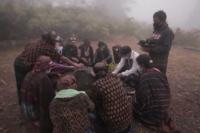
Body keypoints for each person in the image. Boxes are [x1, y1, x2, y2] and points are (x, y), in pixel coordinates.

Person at [14, 31, 82, 104]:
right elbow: (62, 59)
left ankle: (23, 101)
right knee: (28, 83)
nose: (55, 42)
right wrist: (75, 65)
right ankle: (29, 102)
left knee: (23, 83)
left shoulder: (37, 42)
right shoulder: (48, 48)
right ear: (51, 40)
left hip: (18, 62)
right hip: (25, 65)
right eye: (54, 41)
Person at [133, 54, 179, 133]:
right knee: (159, 107)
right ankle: (166, 122)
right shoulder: (159, 72)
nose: (138, 67)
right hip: (165, 104)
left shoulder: (144, 77)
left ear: (142, 65)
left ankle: (159, 126)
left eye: (139, 65)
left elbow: (142, 97)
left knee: (134, 108)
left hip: (152, 111)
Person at [89, 62, 132, 133]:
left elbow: (95, 103)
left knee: (93, 113)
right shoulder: (115, 77)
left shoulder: (96, 85)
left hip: (114, 126)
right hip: (127, 120)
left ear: (94, 73)